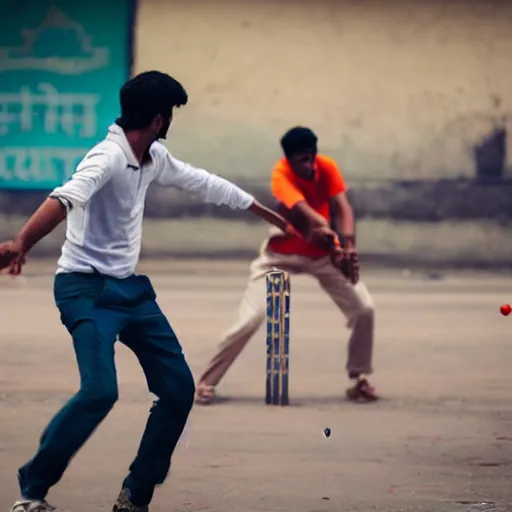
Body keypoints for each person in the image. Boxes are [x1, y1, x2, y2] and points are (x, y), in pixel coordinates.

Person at [0, 71, 298, 512]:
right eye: (171, 114)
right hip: (84, 288)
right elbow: (65, 198)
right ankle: (32, 490)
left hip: (131, 292)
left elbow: (205, 182)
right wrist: (21, 244)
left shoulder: (153, 157)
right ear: (160, 119)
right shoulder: (107, 157)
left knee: (178, 389)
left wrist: (270, 215)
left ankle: (135, 495)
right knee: (100, 391)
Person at [195, 126, 378, 405]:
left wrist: (349, 246)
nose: (308, 165)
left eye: (311, 158)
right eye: (301, 160)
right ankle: (206, 383)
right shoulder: (281, 175)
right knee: (250, 319)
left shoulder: (327, 167)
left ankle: (360, 379)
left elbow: (344, 207)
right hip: (280, 257)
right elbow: (311, 217)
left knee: (364, 309)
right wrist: (336, 243)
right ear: (289, 159)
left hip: (321, 255)